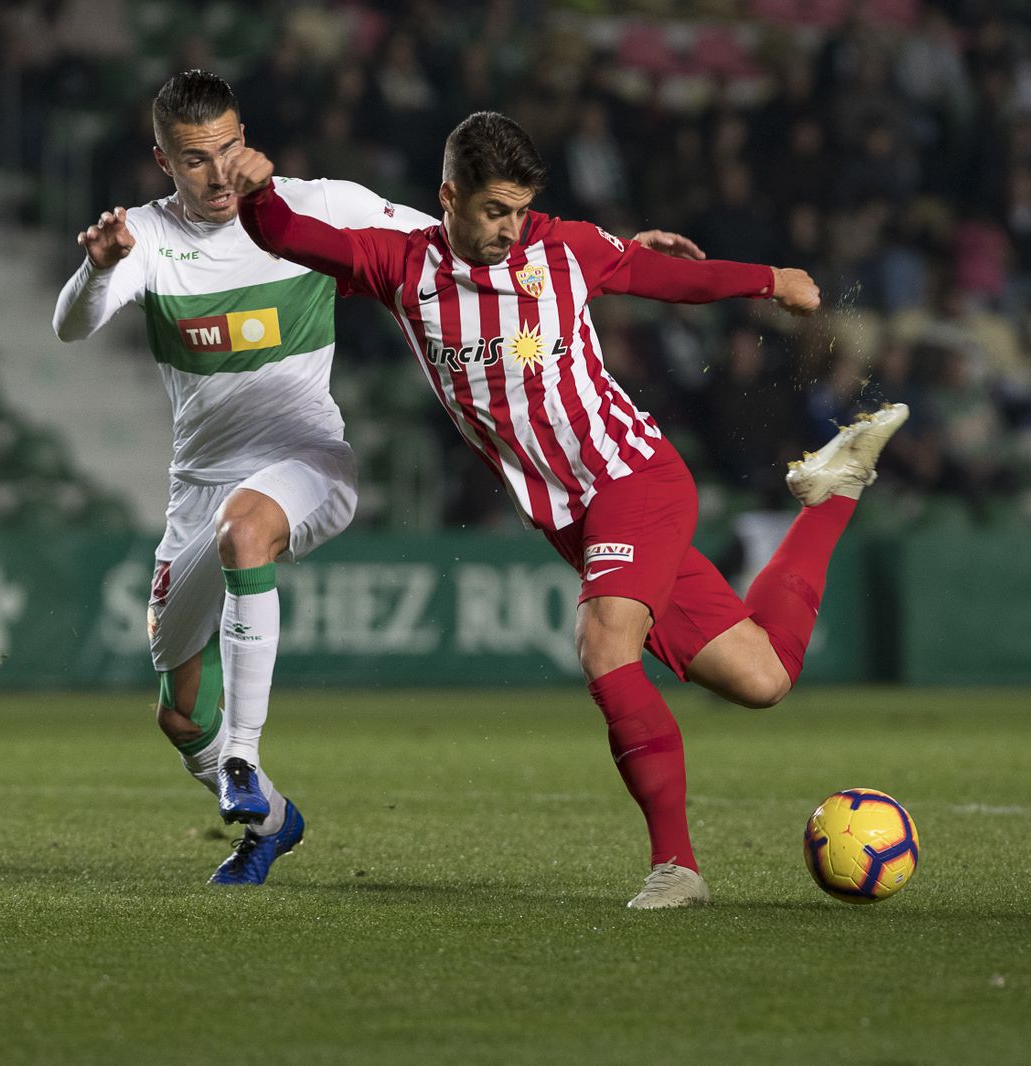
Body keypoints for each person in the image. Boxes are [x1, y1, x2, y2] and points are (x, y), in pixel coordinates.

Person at [228, 111, 909, 909]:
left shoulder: (560, 248)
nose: (510, 229)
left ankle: (676, 868)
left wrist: (768, 279)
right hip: (571, 518)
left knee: (601, 640)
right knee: (761, 677)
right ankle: (830, 497)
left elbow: (666, 280)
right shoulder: (403, 267)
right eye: (493, 211)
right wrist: (255, 189)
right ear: (448, 197)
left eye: (520, 210)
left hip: (633, 479)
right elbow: (291, 236)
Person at [50, 71, 441, 887]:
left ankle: (243, 755)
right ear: (163, 160)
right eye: (196, 160)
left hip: (308, 461)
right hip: (198, 489)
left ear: (247, 137)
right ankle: (269, 817)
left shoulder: (316, 206)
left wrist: (593, 251)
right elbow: (72, 326)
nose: (220, 173)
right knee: (176, 709)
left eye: (230, 149)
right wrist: (96, 268)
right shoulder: (148, 240)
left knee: (246, 528)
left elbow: (450, 240)